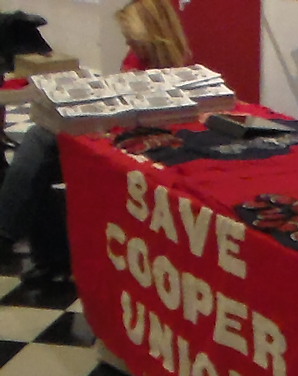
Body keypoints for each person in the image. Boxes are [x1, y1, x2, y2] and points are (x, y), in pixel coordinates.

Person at [0, 0, 191, 284]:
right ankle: (34, 249)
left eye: (132, 39)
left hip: (126, 143)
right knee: (40, 151)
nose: (128, 44)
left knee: (39, 145)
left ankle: (12, 236)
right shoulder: (139, 57)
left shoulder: (170, 73)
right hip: (110, 130)